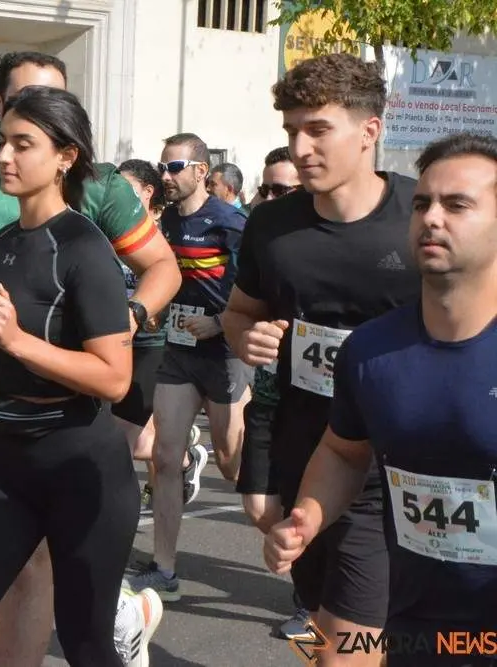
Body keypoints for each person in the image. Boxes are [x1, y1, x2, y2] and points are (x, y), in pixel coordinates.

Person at [0, 50, 174, 667]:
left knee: (85, 645)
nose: (4, 156)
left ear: (65, 157)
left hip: (82, 465)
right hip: (6, 458)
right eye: (3, 141)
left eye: (23, 145)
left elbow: (113, 378)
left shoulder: (85, 247)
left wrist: (19, 342)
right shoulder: (3, 242)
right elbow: (19, 344)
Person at [265, 131, 497, 666]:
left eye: (457, 205)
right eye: (422, 204)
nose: (431, 218)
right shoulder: (371, 350)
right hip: (415, 629)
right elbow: (344, 451)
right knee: (331, 654)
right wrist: (308, 515)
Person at [221, 53, 420, 665]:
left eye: (318, 129)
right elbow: (238, 313)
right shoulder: (271, 225)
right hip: (306, 453)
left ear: (369, 131)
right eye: (291, 131)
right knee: (316, 617)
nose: (300, 148)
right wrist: (246, 338)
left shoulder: (422, 217)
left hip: (390, 463)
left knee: (349, 643)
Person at [126, 133, 250, 601]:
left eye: (175, 167)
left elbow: (256, 287)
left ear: (201, 171)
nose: (166, 176)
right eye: (162, 167)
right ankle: (164, 568)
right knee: (163, 458)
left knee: (232, 464)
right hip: (179, 353)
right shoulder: (164, 223)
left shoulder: (229, 223)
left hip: (225, 352)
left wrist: (220, 322)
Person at [232, 145, 312, 641]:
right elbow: (238, 311)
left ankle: (314, 600)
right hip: (267, 394)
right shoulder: (261, 234)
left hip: (323, 405)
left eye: (281, 189)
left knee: (318, 507)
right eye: (265, 188)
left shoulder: (339, 239)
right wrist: (245, 334)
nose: (269, 197)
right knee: (263, 510)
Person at [115, 159, 167, 515]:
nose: (116, 196)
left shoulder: (166, 233)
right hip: (114, 343)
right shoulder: (110, 230)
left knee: (120, 442)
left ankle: (116, 516)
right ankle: (178, 457)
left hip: (153, 345)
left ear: (148, 192)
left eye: (126, 188)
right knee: (124, 436)